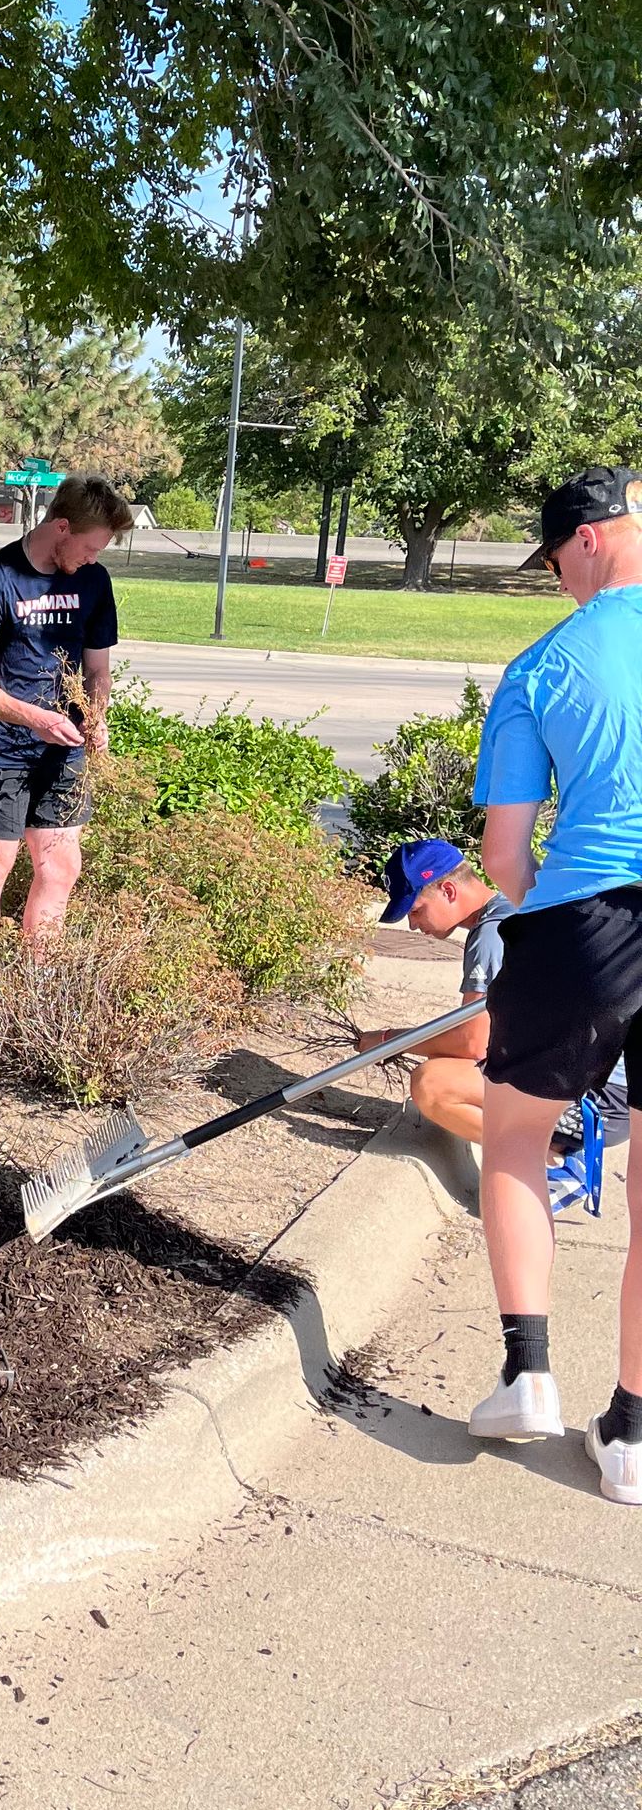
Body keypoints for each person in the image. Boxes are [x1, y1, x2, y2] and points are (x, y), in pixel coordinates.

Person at [464, 467, 642, 1502]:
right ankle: (630, 1437)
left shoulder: (541, 665)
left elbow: (500, 859)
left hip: (587, 921)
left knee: (515, 1136)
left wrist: (542, 924)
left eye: (555, 565)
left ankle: (526, 1374)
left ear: (580, 541)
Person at [0, 474, 133, 1025]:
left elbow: (97, 668)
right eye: (90, 545)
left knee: (60, 870)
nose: (95, 558)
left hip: (63, 752)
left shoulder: (94, 582)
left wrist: (95, 716)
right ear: (60, 527)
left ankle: (38, 987)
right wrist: (36, 718)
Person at [368, 835, 628, 1205]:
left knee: (433, 1083)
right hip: (607, 1087)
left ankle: (554, 1163)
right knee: (448, 1064)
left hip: (596, 1099)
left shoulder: (493, 934)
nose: (413, 925)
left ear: (447, 890)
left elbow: (471, 1041)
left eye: (416, 909)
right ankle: (549, 1147)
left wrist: (387, 1041)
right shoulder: (517, 907)